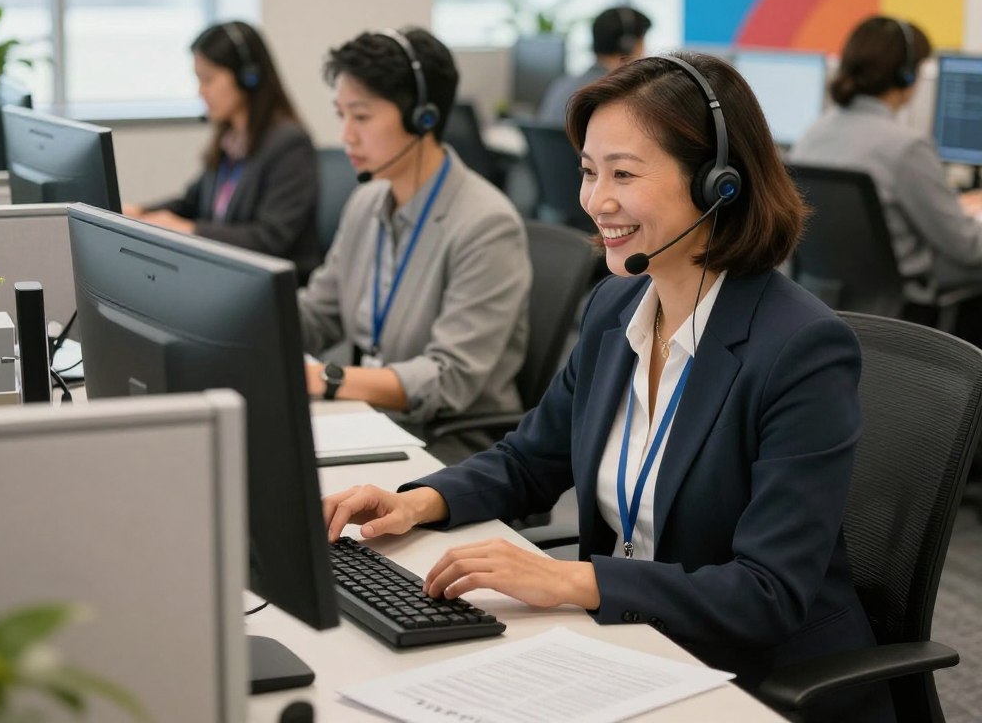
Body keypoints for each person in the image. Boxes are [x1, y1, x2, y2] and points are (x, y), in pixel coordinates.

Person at [322, 52, 895, 723]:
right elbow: (530, 459)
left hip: (753, 681)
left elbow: (766, 593)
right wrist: (415, 502)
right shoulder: (614, 311)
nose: (596, 201)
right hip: (624, 648)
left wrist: (572, 579)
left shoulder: (799, 350)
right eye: (590, 172)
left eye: (624, 173)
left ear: (718, 185)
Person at [300, 27, 531, 464]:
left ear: (423, 117)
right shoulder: (367, 201)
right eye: (341, 115)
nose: (346, 134)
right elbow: (318, 314)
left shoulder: (486, 223)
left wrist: (326, 379)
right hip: (376, 419)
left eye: (362, 117)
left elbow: (449, 378)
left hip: (452, 445)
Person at [790, 16, 982, 305]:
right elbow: (967, 247)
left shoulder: (810, 136)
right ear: (907, 75)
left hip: (829, 303)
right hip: (902, 303)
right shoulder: (907, 148)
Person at [124, 20, 321, 283]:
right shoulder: (230, 139)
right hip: (228, 279)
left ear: (247, 76)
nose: (201, 91)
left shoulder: (289, 144)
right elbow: (191, 203)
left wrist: (190, 229)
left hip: (275, 290)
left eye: (209, 79)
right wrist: (140, 212)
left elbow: (269, 238)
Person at [537, 5, 651, 125]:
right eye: (643, 42)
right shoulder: (619, 95)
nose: (645, 50)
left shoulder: (561, 86)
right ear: (627, 45)